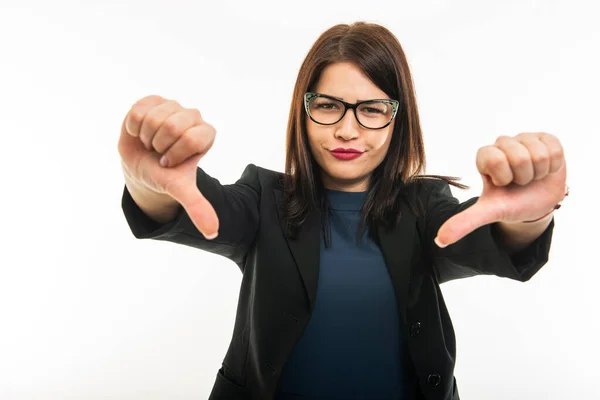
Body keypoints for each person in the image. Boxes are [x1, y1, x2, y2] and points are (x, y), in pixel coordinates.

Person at [118, 22, 567, 400]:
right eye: (329, 106)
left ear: (398, 118)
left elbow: (487, 240)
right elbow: (197, 207)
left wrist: (528, 218)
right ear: (303, 110)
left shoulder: (424, 207)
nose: (347, 130)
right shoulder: (263, 198)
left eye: (371, 109)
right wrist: (147, 184)